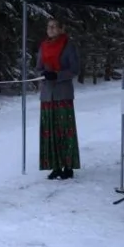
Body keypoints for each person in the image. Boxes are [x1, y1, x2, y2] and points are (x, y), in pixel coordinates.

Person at [37, 18, 81, 179]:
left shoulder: (69, 46)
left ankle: (68, 166)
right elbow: (38, 67)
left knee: (65, 130)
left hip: (63, 93)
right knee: (50, 131)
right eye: (49, 27)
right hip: (47, 95)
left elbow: (75, 69)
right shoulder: (43, 46)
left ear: (62, 29)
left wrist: (57, 75)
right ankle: (54, 165)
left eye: (55, 26)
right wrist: (43, 74)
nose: (51, 29)